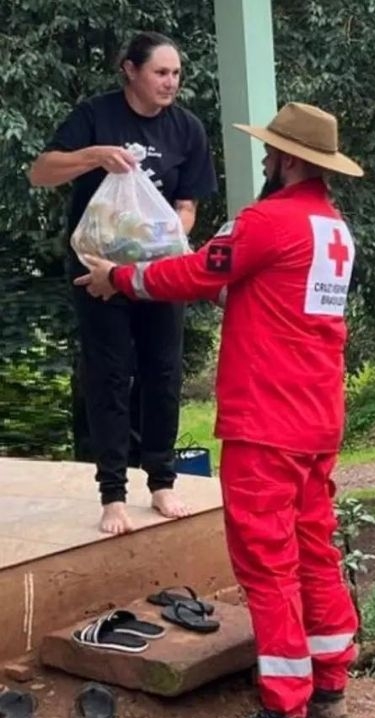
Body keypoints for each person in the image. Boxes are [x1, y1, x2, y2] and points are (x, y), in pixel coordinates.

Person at [76, 101, 362, 718]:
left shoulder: (267, 221)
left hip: (267, 418)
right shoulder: (335, 228)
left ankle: (284, 702)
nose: (263, 159)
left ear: (287, 158)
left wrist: (120, 279)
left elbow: (199, 274)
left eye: (268, 152)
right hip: (317, 415)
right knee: (314, 547)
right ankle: (330, 680)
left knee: (267, 561)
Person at [28, 31, 218, 535]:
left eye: (176, 74)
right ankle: (112, 493)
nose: (170, 82)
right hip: (96, 273)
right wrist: (94, 156)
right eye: (160, 72)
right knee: (109, 375)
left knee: (163, 373)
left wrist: (157, 252)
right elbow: (41, 172)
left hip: (156, 275)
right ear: (130, 70)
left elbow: (187, 208)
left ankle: (161, 480)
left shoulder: (188, 129)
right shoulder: (96, 115)